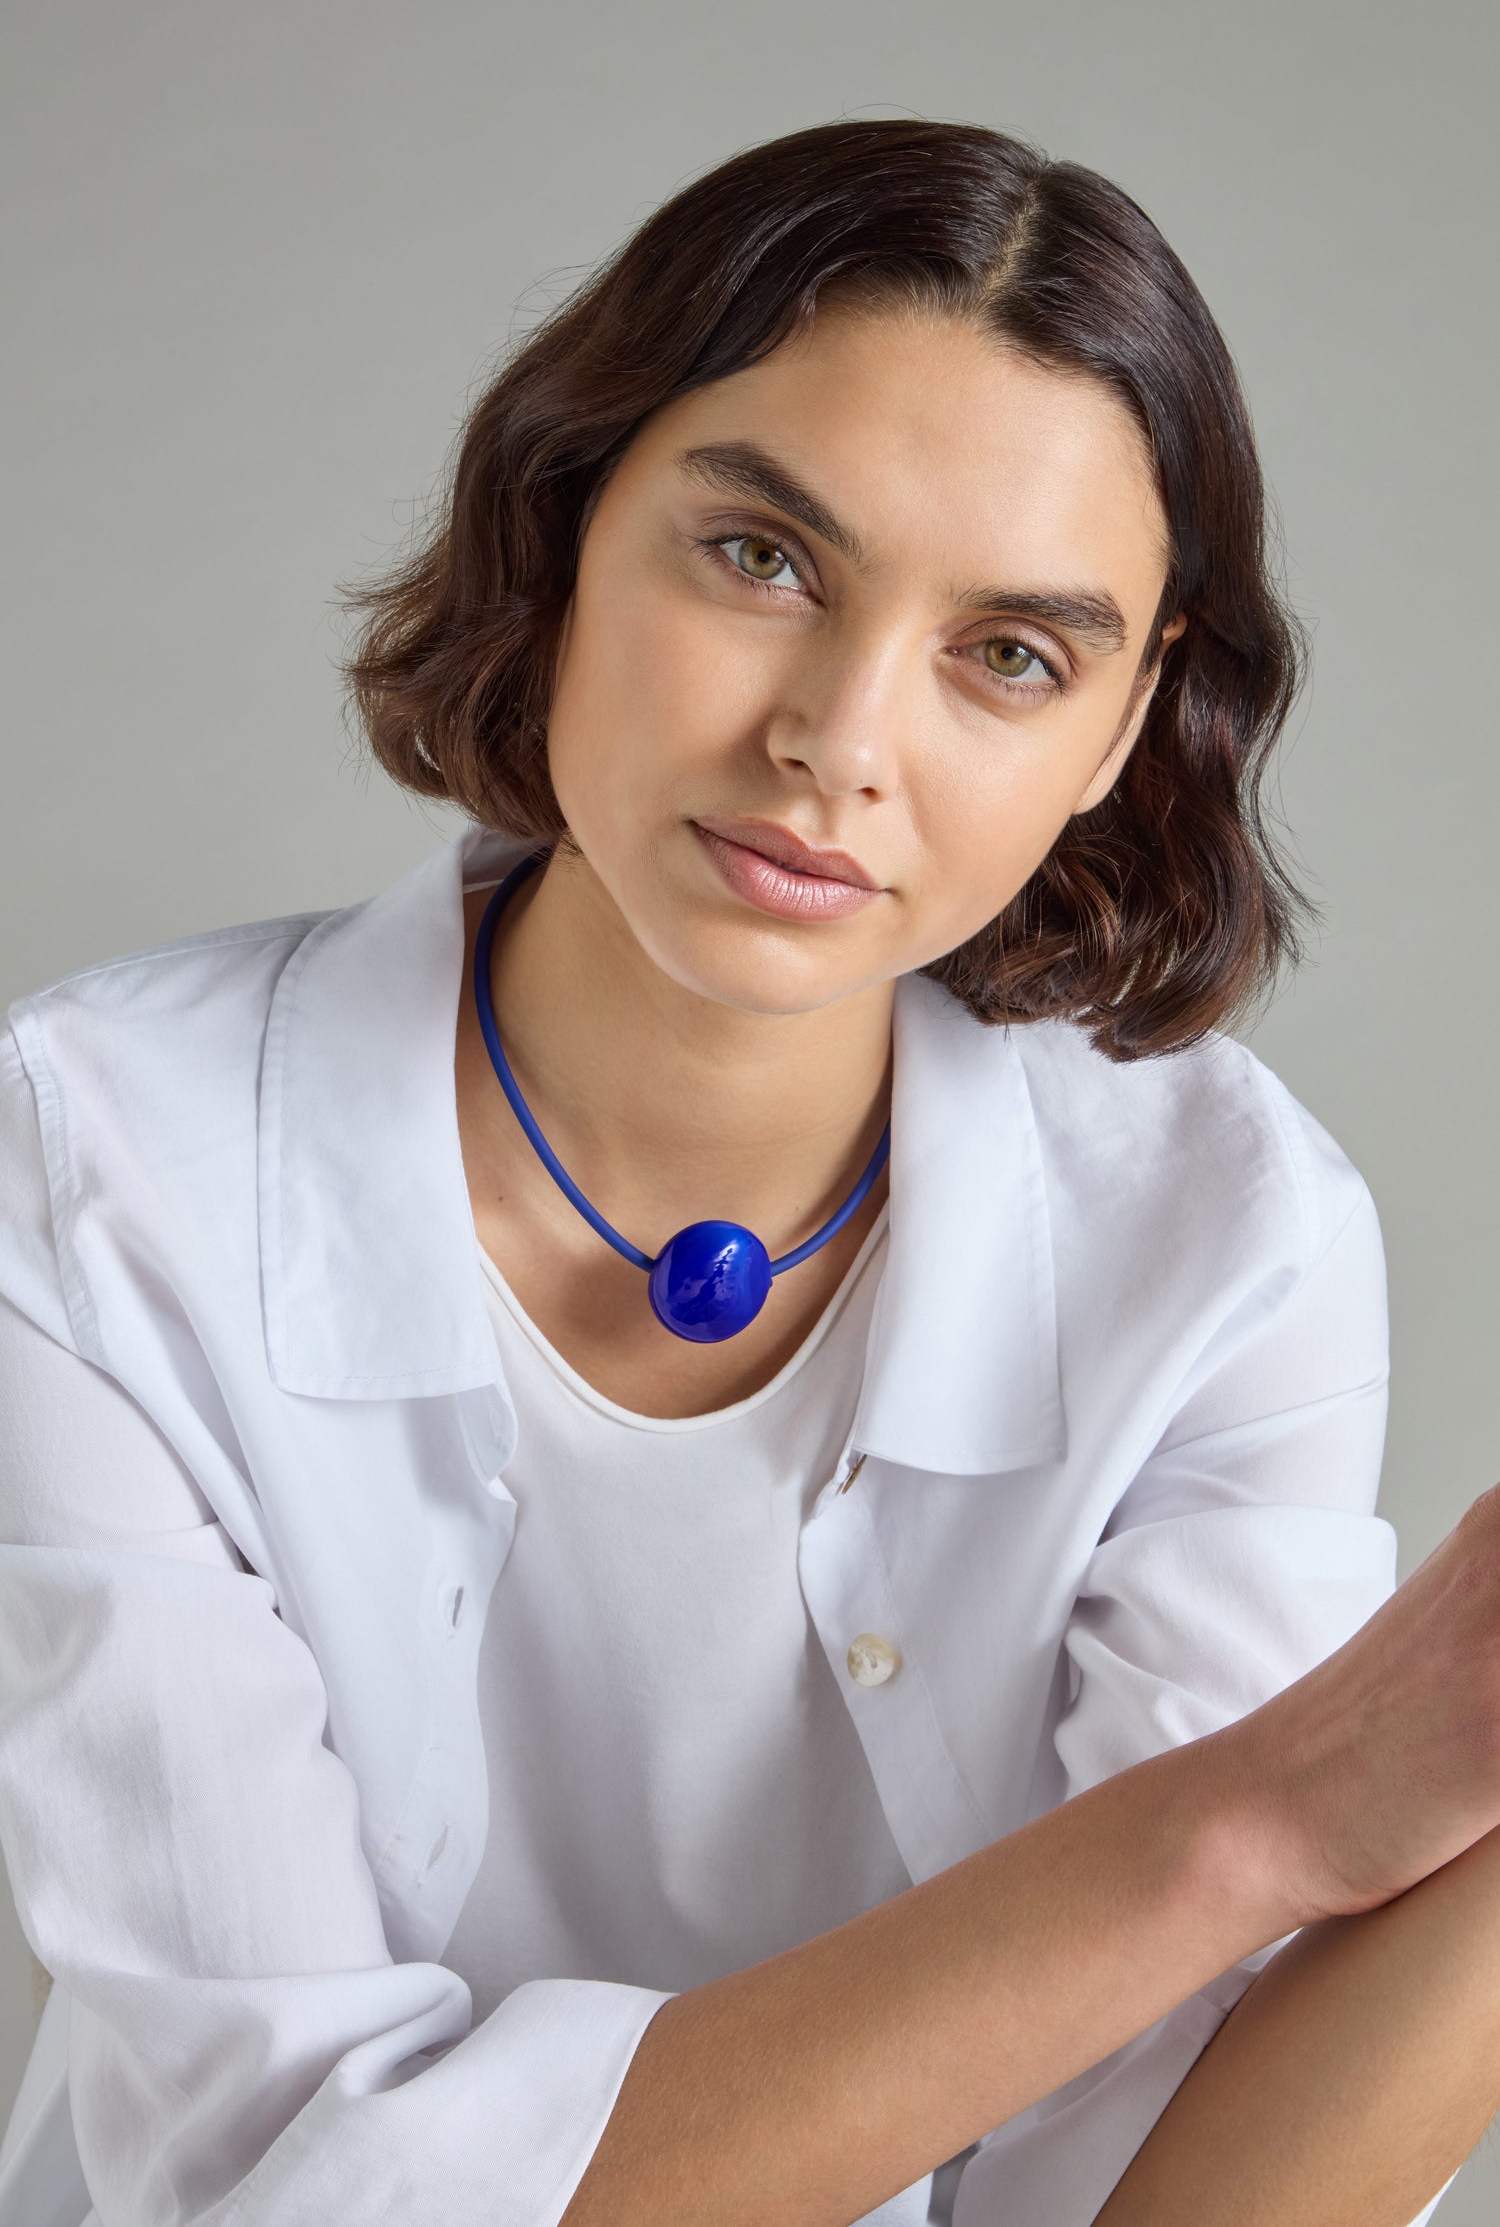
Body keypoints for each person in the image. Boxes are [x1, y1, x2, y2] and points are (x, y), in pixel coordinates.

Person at [0, 115, 1496, 2227]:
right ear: (569, 511)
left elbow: (1139, 2188)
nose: (841, 738)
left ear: (1119, 730)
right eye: (765, 557)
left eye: (1011, 654)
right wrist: (1259, 1822)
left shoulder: (1229, 1241)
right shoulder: (93, 1168)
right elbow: (291, 2186)